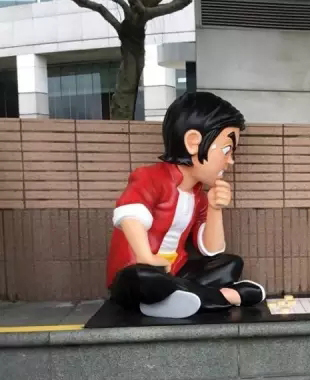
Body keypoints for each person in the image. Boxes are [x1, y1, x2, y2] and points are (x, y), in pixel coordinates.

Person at [105, 91, 265, 319]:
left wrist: (214, 209)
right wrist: (147, 258)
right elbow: (130, 215)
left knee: (230, 263)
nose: (230, 161)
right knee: (144, 278)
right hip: (138, 271)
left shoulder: (198, 196)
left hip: (175, 271)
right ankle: (222, 297)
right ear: (193, 142)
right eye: (227, 150)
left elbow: (211, 250)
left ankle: (177, 297)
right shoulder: (150, 177)